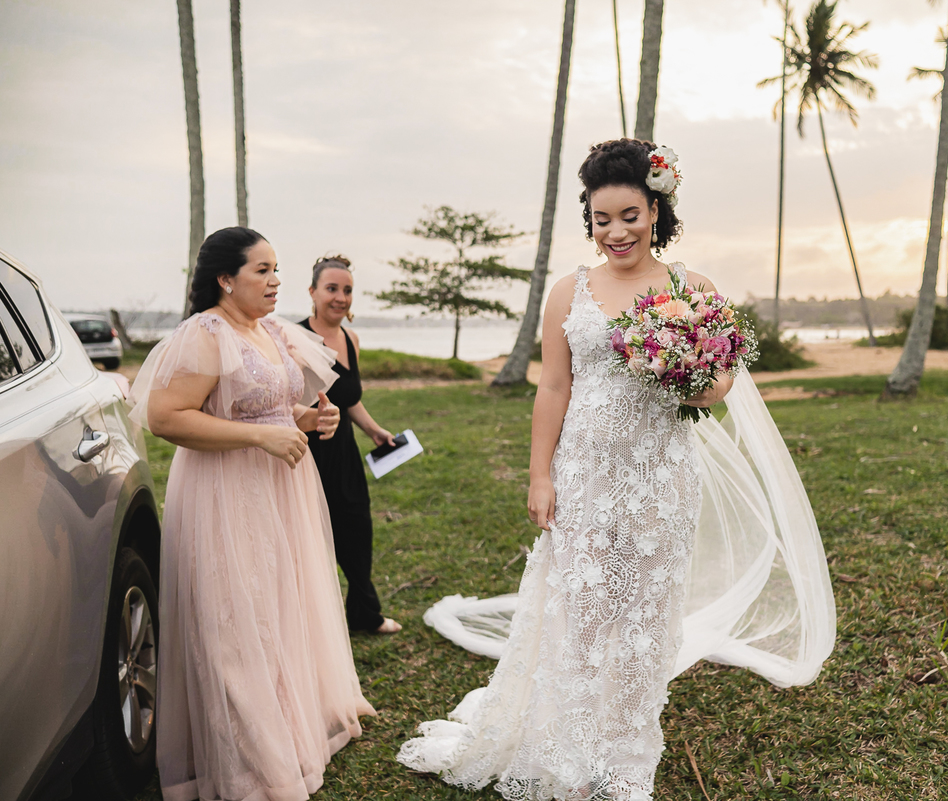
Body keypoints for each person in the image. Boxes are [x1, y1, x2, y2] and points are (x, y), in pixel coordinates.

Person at [397, 139, 836, 800]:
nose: (616, 232)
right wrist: (539, 475)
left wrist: (685, 377)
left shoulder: (692, 289)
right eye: (601, 219)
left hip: (661, 477)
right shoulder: (569, 291)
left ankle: (624, 761)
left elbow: (721, 383)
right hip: (583, 477)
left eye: (629, 215)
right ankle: (567, 745)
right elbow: (553, 387)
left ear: (656, 210)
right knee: (582, 613)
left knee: (645, 619)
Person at [130, 227, 376, 801]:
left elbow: (273, 407)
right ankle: (247, 760)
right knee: (234, 619)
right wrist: (260, 438)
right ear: (225, 278)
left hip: (280, 489)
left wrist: (309, 419)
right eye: (261, 270)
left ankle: (286, 728)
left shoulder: (271, 330)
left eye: (276, 269)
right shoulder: (205, 333)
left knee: (277, 605)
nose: (275, 280)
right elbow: (166, 417)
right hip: (225, 492)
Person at [300, 254, 401, 635]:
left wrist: (374, 431)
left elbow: (348, 399)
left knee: (357, 532)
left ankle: (363, 613)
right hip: (306, 454)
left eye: (347, 290)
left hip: (344, 453)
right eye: (331, 289)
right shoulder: (294, 339)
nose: (340, 298)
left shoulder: (350, 339)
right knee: (310, 540)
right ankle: (312, 624)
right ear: (313, 292)